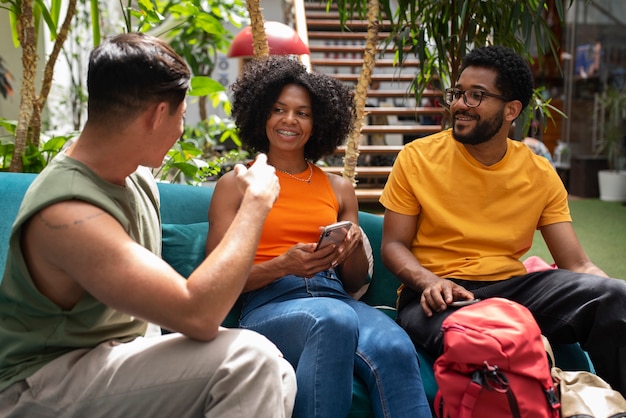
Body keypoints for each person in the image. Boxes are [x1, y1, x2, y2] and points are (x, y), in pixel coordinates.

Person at [0, 33, 295, 417]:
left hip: (110, 364)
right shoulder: (68, 214)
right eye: (181, 115)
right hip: (38, 385)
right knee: (248, 360)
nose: (181, 130)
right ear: (157, 115)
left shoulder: (132, 174)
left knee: (278, 371)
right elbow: (199, 316)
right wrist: (254, 204)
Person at [380, 45, 626, 397]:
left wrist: (612, 294)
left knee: (614, 296)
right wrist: (428, 281)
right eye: (458, 93)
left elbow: (577, 264)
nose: (460, 104)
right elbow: (393, 245)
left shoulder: (538, 171)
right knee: (488, 334)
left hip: (512, 289)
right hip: (440, 296)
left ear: (511, 110)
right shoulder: (417, 157)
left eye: (476, 95)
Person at [206, 55, 431, 418]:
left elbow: (356, 281)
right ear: (261, 113)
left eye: (303, 113)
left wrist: (353, 245)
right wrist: (283, 265)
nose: (290, 120)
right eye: (278, 109)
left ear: (318, 123)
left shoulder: (339, 189)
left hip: (337, 297)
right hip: (270, 304)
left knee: (394, 346)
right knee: (332, 320)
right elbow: (215, 280)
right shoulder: (237, 183)